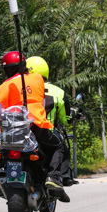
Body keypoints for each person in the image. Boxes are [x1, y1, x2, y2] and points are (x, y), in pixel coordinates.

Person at [0, 51, 67, 196]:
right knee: (58, 146)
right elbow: (42, 100)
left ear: (6, 70)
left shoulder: (5, 86)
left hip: (11, 130)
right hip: (36, 126)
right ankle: (52, 176)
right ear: (24, 66)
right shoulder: (37, 79)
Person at [26, 56, 77, 186]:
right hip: (45, 130)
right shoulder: (58, 92)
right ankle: (58, 176)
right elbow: (66, 119)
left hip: (21, 130)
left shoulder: (21, 88)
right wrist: (73, 113)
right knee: (62, 148)